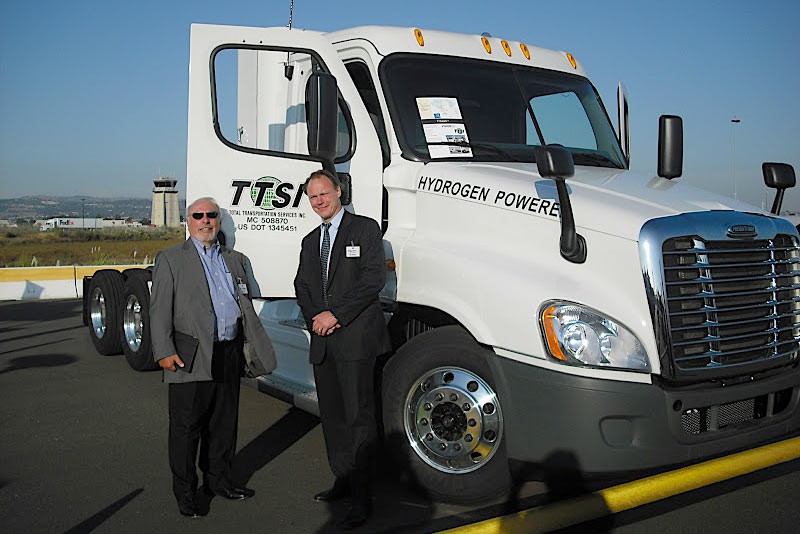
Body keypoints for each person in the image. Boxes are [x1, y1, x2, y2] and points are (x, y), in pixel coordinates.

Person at [150, 197, 276, 518]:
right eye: (198, 216)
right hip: (189, 354)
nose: (205, 220)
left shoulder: (233, 259)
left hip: (228, 351)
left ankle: (219, 481)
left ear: (218, 221)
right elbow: (159, 308)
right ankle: (186, 492)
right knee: (186, 426)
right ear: (188, 222)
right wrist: (163, 351)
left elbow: (245, 299)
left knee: (223, 423)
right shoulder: (170, 259)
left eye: (211, 215)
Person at [294, 169, 390, 530]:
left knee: (358, 418)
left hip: (355, 340)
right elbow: (301, 285)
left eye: (324, 193)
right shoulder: (308, 241)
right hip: (323, 342)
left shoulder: (364, 229)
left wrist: (335, 315)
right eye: (312, 196)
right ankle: (343, 479)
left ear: (338, 191)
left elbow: (372, 280)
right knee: (333, 418)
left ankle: (363, 496)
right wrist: (316, 320)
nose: (319, 201)